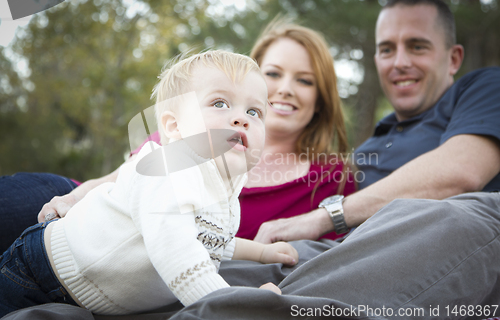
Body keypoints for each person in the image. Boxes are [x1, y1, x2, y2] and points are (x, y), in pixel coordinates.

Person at [0, 19, 356, 253]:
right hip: (97, 211)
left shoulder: (332, 181)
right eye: (273, 74)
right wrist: (77, 196)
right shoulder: (192, 130)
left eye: (305, 80)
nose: (285, 89)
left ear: (321, 97)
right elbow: (124, 177)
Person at [0, 50, 299, 317]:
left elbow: (207, 237)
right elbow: (179, 254)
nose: (241, 119)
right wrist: (236, 306)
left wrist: (260, 253)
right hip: (40, 273)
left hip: (90, 293)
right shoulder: (169, 170)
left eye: (254, 112)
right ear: (174, 126)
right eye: (220, 103)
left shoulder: (225, 187)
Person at [253, 0, 500, 243]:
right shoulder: (360, 156)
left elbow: (461, 170)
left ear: (454, 58)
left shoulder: (485, 88)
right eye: (387, 50)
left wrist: (324, 217)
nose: (399, 62)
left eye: (417, 47)